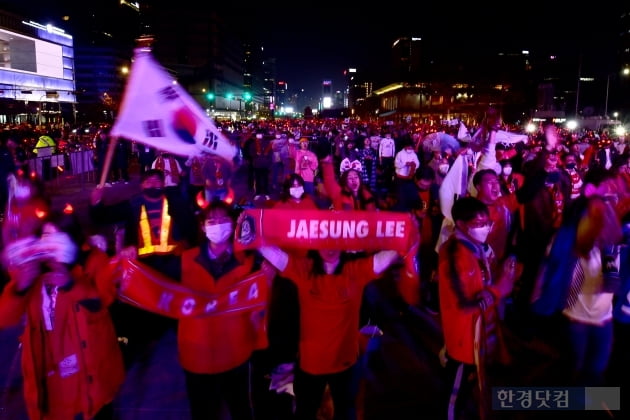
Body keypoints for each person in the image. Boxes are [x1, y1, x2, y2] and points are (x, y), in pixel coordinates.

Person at [259, 239, 413, 420]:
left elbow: (383, 259)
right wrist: (251, 230)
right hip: (310, 366)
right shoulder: (304, 269)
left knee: (345, 412)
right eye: (324, 242)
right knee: (305, 413)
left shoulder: (354, 271)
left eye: (335, 242)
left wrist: (406, 234)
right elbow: (276, 256)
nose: (329, 248)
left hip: (345, 365)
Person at [0, 209, 124, 420]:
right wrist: (20, 287)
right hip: (50, 378)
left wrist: (71, 284)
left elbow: (106, 300)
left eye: (57, 238)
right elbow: (5, 317)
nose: (50, 246)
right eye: (45, 238)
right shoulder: (32, 271)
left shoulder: (92, 261)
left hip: (90, 372)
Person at [89, 168, 198, 366]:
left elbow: (191, 225)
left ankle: (178, 332)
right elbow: (103, 216)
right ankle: (151, 334)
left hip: (172, 262)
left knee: (173, 298)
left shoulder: (175, 202)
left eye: (157, 181)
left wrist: (188, 245)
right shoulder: (133, 204)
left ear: (163, 184)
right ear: (142, 185)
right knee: (148, 301)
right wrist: (96, 203)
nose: (153, 185)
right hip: (144, 265)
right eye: (149, 181)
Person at [176, 199, 273, 420]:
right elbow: (155, 288)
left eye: (223, 219)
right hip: (197, 357)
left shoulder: (249, 262)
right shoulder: (185, 260)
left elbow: (259, 303)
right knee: (203, 412)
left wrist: (268, 280)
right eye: (212, 220)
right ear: (203, 226)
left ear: (232, 224)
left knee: (240, 409)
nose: (218, 225)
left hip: (235, 355)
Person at [438, 196, 516, 420]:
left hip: (479, 331)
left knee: (471, 377)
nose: (485, 229)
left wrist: (505, 275)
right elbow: (464, 305)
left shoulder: (479, 247)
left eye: (487, 223)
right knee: (456, 386)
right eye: (478, 224)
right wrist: (500, 289)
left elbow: (486, 281)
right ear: (461, 225)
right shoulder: (453, 255)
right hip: (464, 336)